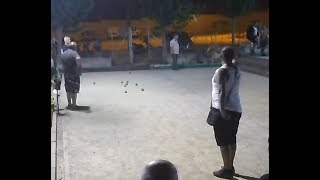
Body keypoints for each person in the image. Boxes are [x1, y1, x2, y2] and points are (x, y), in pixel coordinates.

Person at [211, 47, 242, 179]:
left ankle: (227, 170)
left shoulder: (222, 71)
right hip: (236, 108)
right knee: (231, 139)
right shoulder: (236, 69)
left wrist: (222, 110)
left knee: (223, 141)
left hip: (223, 109)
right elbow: (234, 61)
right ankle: (230, 166)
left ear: (222, 56)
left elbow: (222, 92)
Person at [60, 42, 82, 110]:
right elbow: (78, 59)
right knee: (74, 90)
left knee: (68, 90)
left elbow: (61, 61)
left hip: (66, 74)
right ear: (74, 47)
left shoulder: (63, 54)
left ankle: (69, 104)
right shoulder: (74, 53)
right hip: (74, 74)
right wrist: (78, 67)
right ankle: (74, 104)